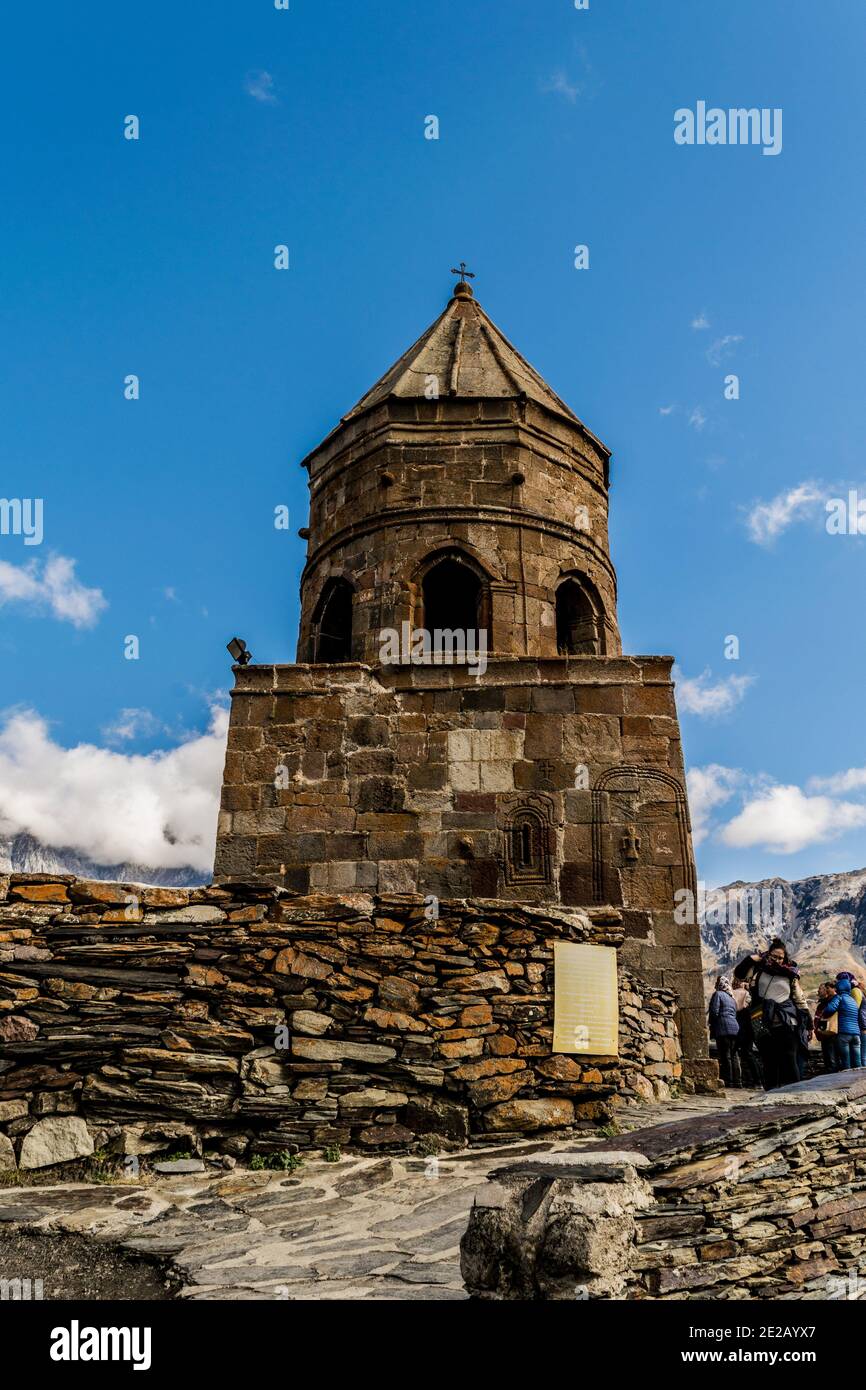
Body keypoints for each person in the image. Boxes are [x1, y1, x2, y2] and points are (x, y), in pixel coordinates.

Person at [733, 938, 809, 1090]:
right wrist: (751, 959)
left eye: (780, 958)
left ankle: (796, 1094)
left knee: (789, 1058)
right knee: (768, 1061)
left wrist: (809, 1024)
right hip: (763, 1023)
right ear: (768, 955)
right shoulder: (758, 970)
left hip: (786, 1021)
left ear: (785, 958)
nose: (777, 960)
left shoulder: (790, 974)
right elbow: (739, 974)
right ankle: (771, 1095)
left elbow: (799, 998)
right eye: (774, 956)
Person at [822, 973, 862, 1070]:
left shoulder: (839, 997)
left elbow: (829, 1010)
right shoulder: (852, 1000)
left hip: (844, 1033)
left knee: (846, 1062)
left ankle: (846, 1083)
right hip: (856, 1034)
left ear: (839, 987)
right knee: (857, 1063)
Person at [708, 975, 741, 1087]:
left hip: (723, 1028)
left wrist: (712, 1024)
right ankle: (738, 1081)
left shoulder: (718, 994)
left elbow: (714, 1011)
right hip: (735, 1028)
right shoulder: (732, 998)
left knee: (725, 1055)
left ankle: (728, 1081)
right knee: (734, 1055)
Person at [732, 977, 762, 1087]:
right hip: (748, 1028)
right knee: (748, 1054)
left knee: (737, 1054)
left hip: (740, 1026)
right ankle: (757, 1080)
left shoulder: (735, 993)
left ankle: (737, 1081)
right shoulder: (748, 994)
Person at [814, 982, 839, 1073]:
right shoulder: (824, 1003)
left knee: (830, 1058)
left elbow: (826, 1016)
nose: (818, 991)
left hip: (829, 1033)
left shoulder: (831, 1002)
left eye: (820, 989)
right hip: (824, 1033)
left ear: (826, 990)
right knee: (827, 1057)